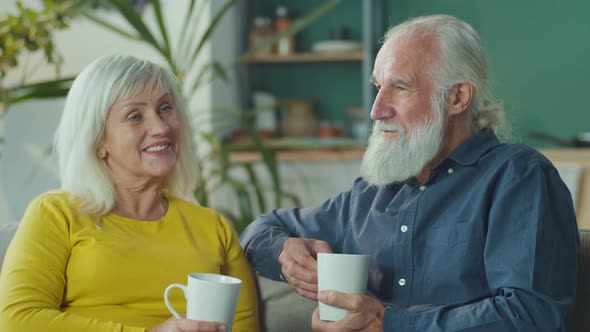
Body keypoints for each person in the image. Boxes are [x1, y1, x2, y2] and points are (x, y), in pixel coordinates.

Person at [240, 14, 579, 331]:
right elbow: (260, 231)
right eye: (378, 87)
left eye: (400, 87)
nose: (376, 110)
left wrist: (390, 323)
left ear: (457, 98)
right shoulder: (372, 194)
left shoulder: (517, 177)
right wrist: (286, 253)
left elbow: (530, 315)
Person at [0, 54, 259, 332]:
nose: (160, 128)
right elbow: (18, 320)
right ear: (98, 140)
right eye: (135, 116)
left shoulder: (214, 228)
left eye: (165, 109)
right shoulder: (55, 213)